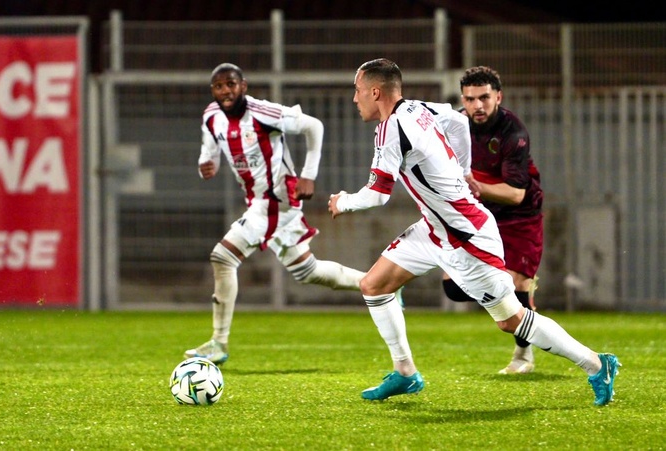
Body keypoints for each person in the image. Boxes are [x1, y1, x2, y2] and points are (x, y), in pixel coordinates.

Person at [328, 58, 620, 406]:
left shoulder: (390, 131)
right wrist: (464, 170)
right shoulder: (418, 108)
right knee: (374, 285)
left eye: (358, 91)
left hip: (465, 238)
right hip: (437, 229)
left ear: (375, 92)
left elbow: (377, 195)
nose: (354, 98)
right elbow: (457, 120)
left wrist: (342, 202)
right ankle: (405, 373)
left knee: (512, 320)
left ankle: (596, 364)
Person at [185, 63, 366, 365]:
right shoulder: (212, 117)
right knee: (308, 271)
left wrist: (309, 175)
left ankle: (218, 342)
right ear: (213, 91)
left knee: (223, 257)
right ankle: (378, 284)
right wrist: (207, 162)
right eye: (218, 86)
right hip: (260, 202)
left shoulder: (261, 112)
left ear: (243, 85)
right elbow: (210, 147)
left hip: (276, 200)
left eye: (231, 84)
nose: (225, 91)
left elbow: (314, 126)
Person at [441, 66, 544, 375]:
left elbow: (515, 194)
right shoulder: (455, 124)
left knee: (515, 285)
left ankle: (523, 356)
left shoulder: (513, 132)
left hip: (519, 216)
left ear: (498, 96)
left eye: (484, 97)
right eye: (470, 99)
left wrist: (476, 186)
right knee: (454, 290)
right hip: (477, 213)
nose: (478, 106)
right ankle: (522, 303)